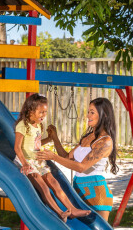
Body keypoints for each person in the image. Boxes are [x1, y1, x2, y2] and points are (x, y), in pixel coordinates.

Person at [36, 97, 118, 230]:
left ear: (103, 115)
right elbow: (68, 158)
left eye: (92, 112)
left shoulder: (105, 141)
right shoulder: (88, 137)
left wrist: (53, 157)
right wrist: (54, 139)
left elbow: (81, 166)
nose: (88, 115)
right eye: (88, 111)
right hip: (79, 190)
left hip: (97, 193)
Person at [14, 93, 91, 222]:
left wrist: (49, 138)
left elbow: (36, 143)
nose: (44, 115)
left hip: (38, 162)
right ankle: (60, 213)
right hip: (27, 162)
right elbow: (17, 147)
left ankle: (72, 210)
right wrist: (25, 163)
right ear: (31, 110)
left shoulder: (38, 125)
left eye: (45, 112)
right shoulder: (23, 125)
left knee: (55, 183)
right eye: (41, 112)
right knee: (44, 187)